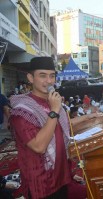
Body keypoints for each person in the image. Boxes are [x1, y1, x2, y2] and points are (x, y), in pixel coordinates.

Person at [9, 57, 72, 198]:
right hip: (41, 182)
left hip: (61, 175)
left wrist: (90, 117)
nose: (49, 81)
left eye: (52, 76)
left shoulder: (52, 102)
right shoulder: (22, 111)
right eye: (42, 76)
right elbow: (39, 146)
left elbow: (62, 126)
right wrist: (55, 110)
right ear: (30, 78)